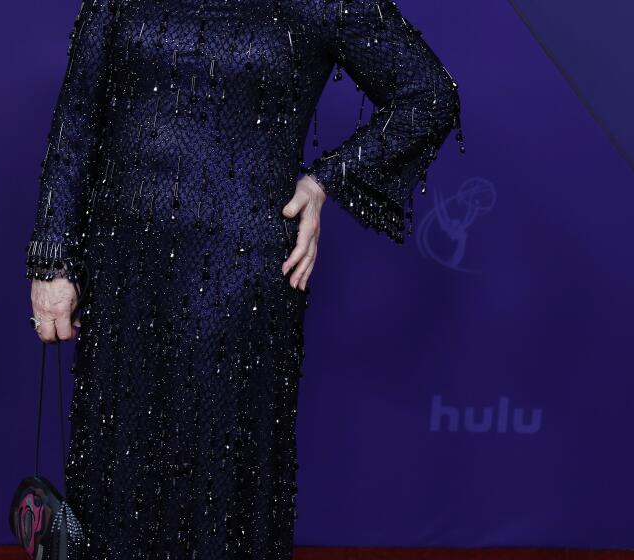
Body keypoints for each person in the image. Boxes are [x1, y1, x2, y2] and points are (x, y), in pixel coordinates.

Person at [25, 0, 462, 557]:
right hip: (124, 275)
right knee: (119, 478)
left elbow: (429, 94)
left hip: (242, 283)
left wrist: (324, 182)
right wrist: (51, 260)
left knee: (220, 485)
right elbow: (78, 119)